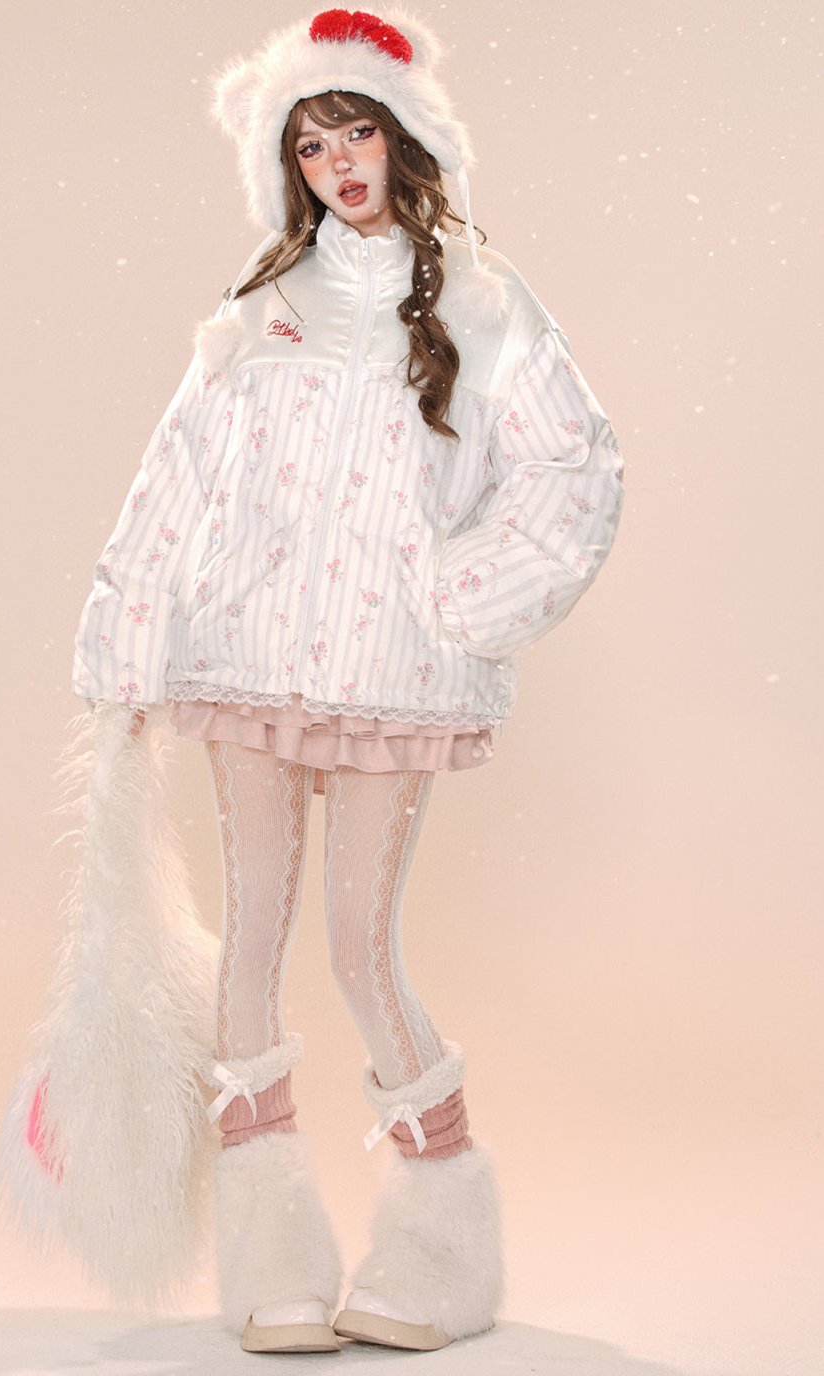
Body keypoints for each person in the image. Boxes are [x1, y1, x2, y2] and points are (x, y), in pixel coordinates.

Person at [69, 6, 625, 1356]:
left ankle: (438, 1249)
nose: (338, 166)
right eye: (311, 146)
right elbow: (177, 472)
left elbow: (577, 469)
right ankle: (271, 1260)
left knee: (359, 950)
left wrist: (463, 596)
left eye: (355, 133)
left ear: (403, 137)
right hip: (244, 655)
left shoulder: (481, 299)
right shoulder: (262, 306)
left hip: (392, 672)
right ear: (290, 164)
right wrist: (127, 637)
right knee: (250, 944)